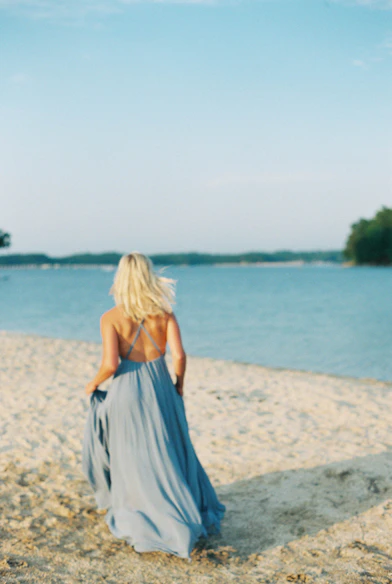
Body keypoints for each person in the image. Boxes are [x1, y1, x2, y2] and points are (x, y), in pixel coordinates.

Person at [82, 252, 225, 560]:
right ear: (148, 276)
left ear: (120, 278)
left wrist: (93, 384)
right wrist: (179, 385)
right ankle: (179, 512)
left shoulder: (110, 318)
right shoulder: (164, 313)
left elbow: (109, 364)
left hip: (127, 389)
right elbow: (180, 356)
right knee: (169, 449)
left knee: (132, 455)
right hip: (160, 387)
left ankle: (141, 511)